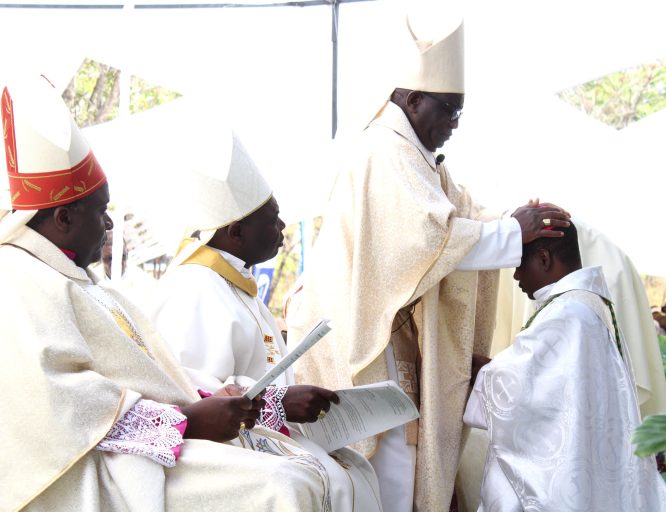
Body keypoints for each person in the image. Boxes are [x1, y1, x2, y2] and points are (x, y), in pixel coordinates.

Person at [0, 78, 329, 511]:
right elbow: (57, 405)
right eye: (102, 213)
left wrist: (216, 402)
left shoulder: (75, 277)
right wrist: (187, 420)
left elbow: (155, 373)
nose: (111, 228)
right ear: (62, 218)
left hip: (144, 446)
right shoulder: (19, 277)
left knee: (312, 476)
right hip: (95, 470)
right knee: (284, 487)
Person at [286, 12, 570, 512]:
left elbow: (459, 214)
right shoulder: (383, 150)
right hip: (365, 339)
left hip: (388, 333)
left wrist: (512, 219)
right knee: (386, 467)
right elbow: (425, 240)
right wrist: (512, 231)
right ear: (413, 100)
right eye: (449, 110)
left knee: (400, 462)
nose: (455, 125)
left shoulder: (415, 156)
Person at [147, 129, 382, 511]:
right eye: (272, 219)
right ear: (236, 232)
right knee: (316, 484)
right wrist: (279, 402)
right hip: (222, 450)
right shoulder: (193, 287)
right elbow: (189, 392)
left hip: (261, 436)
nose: (283, 227)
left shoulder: (236, 285)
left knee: (354, 468)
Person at [463, 223, 666, 511]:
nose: (515, 276)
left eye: (518, 265)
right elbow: (556, 387)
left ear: (544, 258)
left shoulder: (567, 313)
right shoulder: (588, 304)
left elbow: (527, 396)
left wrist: (484, 373)